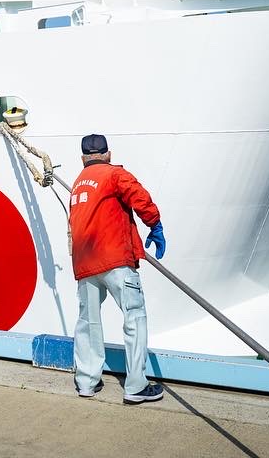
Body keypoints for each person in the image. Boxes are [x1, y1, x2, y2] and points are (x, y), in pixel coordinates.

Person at [69, 133, 166, 405]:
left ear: (82, 158)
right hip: (115, 260)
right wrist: (155, 225)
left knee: (88, 322)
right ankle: (136, 386)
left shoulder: (78, 184)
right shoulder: (114, 174)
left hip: (85, 263)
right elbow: (139, 197)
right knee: (134, 318)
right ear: (108, 154)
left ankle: (87, 382)